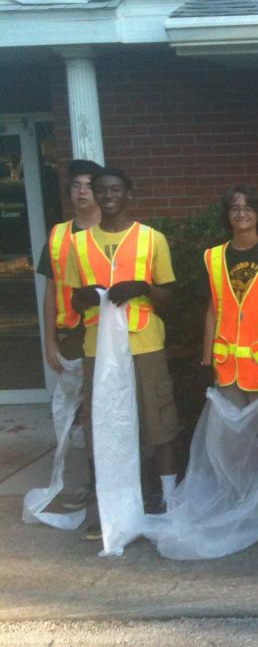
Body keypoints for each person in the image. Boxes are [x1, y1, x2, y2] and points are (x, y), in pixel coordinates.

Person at [64, 166, 180, 541]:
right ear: (95, 196)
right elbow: (73, 298)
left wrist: (141, 287)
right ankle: (107, 509)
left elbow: (168, 296)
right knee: (103, 428)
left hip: (144, 342)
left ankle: (169, 501)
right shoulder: (78, 244)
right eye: (101, 190)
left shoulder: (151, 239)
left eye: (115, 188)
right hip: (97, 347)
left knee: (158, 424)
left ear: (128, 193)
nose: (108, 194)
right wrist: (82, 298)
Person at [36, 159, 102, 511]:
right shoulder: (58, 235)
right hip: (71, 335)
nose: (81, 192)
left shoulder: (111, 231)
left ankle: (104, 483)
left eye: (88, 185)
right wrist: (48, 340)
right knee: (78, 411)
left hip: (104, 334)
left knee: (101, 411)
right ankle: (91, 484)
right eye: (76, 186)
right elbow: (50, 291)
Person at [201, 185, 258, 406]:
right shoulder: (213, 257)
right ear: (227, 214)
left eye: (249, 208)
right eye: (235, 208)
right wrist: (206, 360)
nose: (241, 214)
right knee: (233, 436)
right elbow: (212, 311)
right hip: (226, 367)